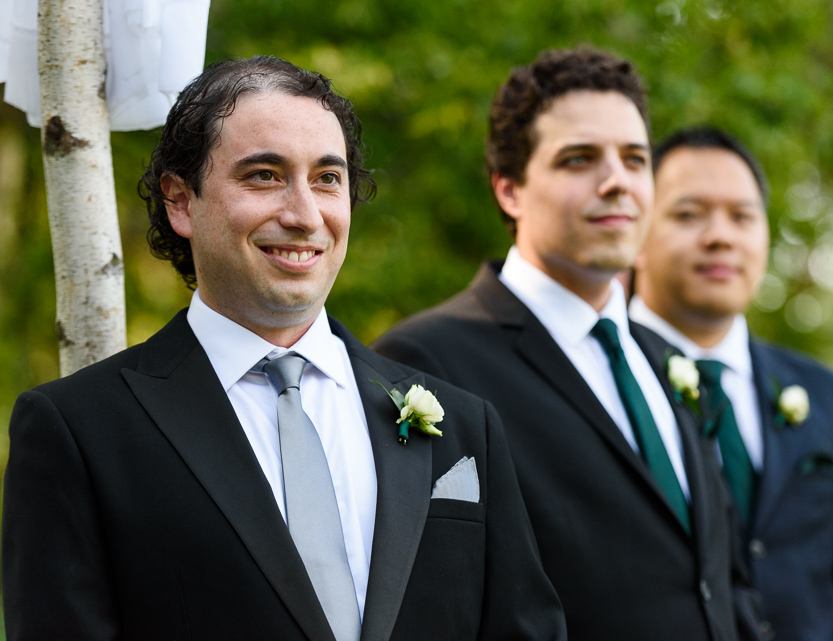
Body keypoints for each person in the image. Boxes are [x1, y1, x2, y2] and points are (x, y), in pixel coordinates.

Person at [2, 56, 566, 641]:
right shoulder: (77, 430)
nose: (304, 215)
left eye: (327, 178)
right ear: (179, 201)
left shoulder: (465, 426)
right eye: (264, 175)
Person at [374, 48, 760, 641]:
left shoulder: (669, 363)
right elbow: (435, 608)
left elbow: (721, 583)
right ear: (510, 190)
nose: (617, 182)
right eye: (579, 159)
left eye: (635, 159)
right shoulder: (428, 364)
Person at [630, 126, 833, 641]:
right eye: (688, 214)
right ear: (635, 236)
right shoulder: (600, 387)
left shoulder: (829, 396)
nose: (721, 235)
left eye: (742, 216)